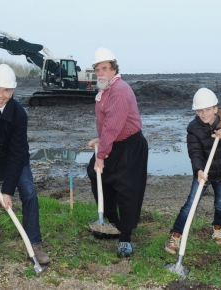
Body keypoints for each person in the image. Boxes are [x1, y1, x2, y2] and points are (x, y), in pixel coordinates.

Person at [0, 64, 50, 264]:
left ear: (12, 92)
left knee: (29, 195)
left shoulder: (19, 115)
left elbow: (16, 154)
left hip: (14, 161)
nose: (0, 94)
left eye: (6, 90)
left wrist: (7, 191)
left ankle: (35, 244)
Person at [164, 88, 221, 254]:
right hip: (203, 174)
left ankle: (217, 230)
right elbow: (194, 152)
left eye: (207, 109)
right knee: (190, 205)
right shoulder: (193, 128)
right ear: (196, 111)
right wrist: (199, 170)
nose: (204, 113)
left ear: (215, 109)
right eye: (200, 110)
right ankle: (175, 236)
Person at [87, 47, 148, 258]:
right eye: (97, 69)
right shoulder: (105, 91)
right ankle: (113, 221)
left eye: (104, 68)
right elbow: (106, 124)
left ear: (113, 69)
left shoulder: (120, 90)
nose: (100, 73)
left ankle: (125, 238)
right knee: (96, 174)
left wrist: (101, 156)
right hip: (114, 142)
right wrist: (101, 138)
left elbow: (114, 125)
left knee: (127, 190)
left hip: (131, 146)